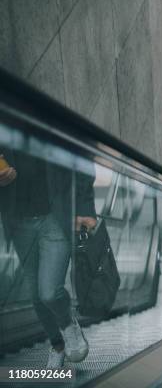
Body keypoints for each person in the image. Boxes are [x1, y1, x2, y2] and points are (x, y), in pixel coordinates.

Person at [0, 148, 96, 369]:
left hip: (55, 217)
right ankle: (58, 346)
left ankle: (68, 324)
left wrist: (85, 207)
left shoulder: (49, 118)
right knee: (36, 295)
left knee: (49, 291)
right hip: (18, 222)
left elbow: (82, 157)